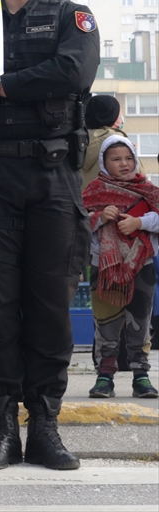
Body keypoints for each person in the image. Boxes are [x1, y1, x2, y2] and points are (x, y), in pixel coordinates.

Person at [0, 0, 98, 472]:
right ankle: (3, 427)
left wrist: (3, 86)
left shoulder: (71, 16)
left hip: (52, 179)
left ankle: (44, 426)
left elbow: (73, 71)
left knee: (49, 307)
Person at [82, 136, 158, 399]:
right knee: (105, 322)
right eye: (116, 159)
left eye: (128, 158)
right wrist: (99, 217)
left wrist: (140, 223)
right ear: (104, 163)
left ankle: (141, 376)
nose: (124, 164)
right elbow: (78, 224)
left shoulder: (148, 190)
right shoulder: (93, 190)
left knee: (141, 322)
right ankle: (104, 377)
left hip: (142, 267)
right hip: (103, 269)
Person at [80, 95, 126, 190]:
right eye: (119, 113)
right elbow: (139, 177)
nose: (121, 116)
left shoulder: (77, 141)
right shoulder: (119, 142)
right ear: (113, 116)